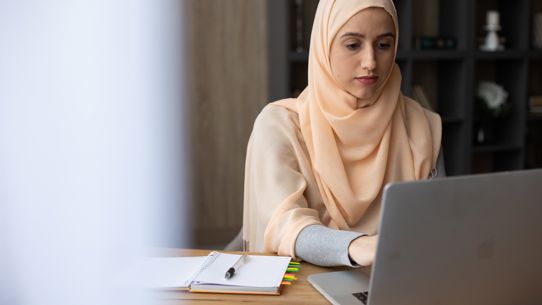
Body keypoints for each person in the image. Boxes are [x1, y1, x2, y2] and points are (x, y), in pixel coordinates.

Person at [242, 0, 444, 267]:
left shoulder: (423, 125)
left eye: (383, 45)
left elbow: (439, 225)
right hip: (305, 285)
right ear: (324, 45)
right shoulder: (280, 125)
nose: (370, 62)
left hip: (396, 282)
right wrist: (358, 246)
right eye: (353, 45)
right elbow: (284, 225)